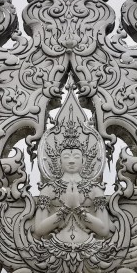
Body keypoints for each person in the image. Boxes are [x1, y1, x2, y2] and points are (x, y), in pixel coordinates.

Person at [33, 104, 110, 245]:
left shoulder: (94, 189)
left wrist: (78, 208)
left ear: (84, 160)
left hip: (91, 246)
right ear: (59, 160)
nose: (71, 160)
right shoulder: (49, 189)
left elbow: (104, 230)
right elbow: (39, 229)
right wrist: (67, 207)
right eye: (66, 156)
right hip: (53, 247)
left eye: (76, 156)